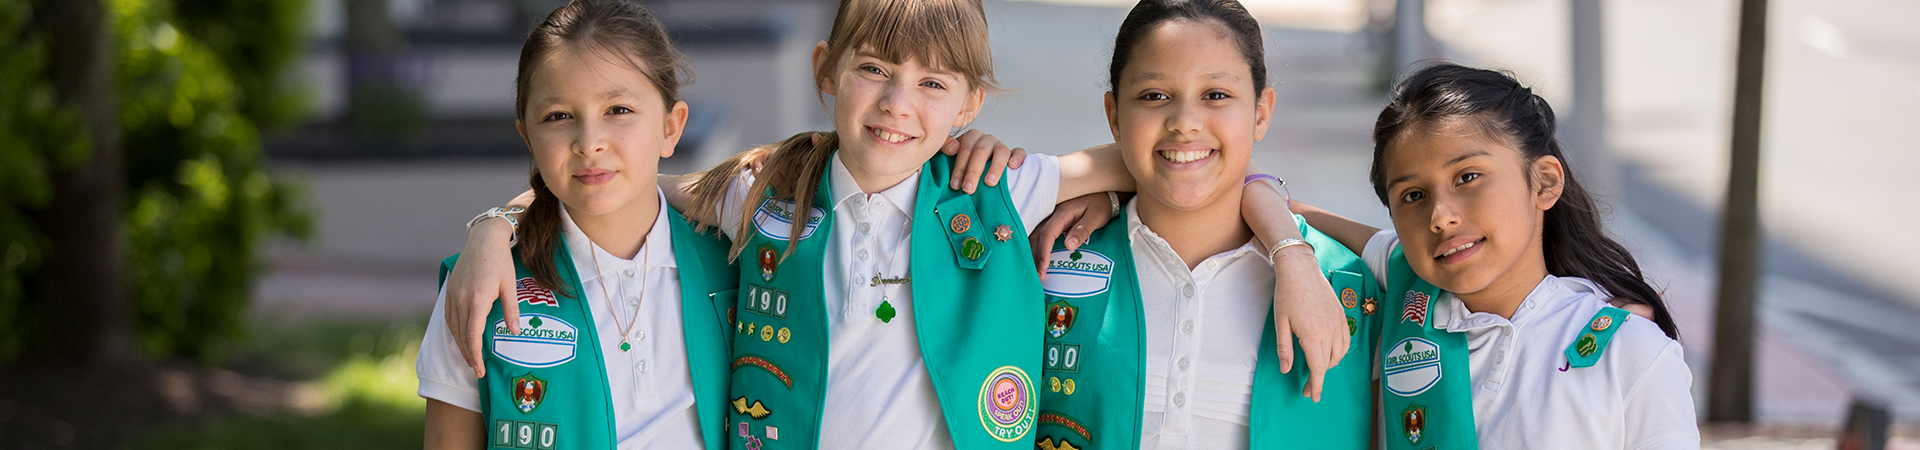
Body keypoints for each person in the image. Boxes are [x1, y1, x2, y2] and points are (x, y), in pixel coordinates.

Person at [444, 0, 1353, 447]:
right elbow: (619, 181)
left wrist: (1287, 242)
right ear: (826, 71)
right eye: (874, 69)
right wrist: (499, 220)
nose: (897, 105)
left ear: (969, 103)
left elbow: (1188, 160)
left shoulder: (995, 188)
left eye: (933, 84)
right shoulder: (764, 195)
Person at [1021, 2, 1377, 448]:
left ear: (1262, 112)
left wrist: (1292, 251)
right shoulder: (1048, 259)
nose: (1185, 122)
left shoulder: (1344, 287)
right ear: (1114, 116)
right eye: (1154, 95)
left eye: (1216, 95)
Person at [1293, 63, 1698, 449]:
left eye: (1467, 177)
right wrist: (1285, 250)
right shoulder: (1402, 289)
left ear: (1544, 182)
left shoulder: (1628, 351)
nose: (1440, 217)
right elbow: (1279, 206)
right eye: (1413, 196)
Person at [414, 1, 738, 448]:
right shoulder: (480, 288)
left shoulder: (740, 262)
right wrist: (494, 226)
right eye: (558, 117)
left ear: (671, 126)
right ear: (527, 136)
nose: (589, 143)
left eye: (619, 110)